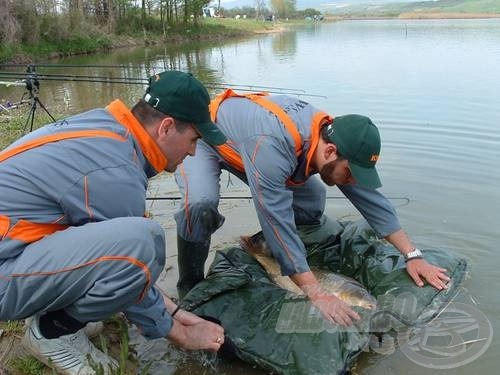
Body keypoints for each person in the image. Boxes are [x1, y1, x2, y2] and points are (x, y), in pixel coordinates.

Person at [0, 71, 227, 375]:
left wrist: (175, 311)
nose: (192, 151)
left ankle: (56, 313)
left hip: (13, 246)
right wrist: (182, 333)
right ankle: (53, 333)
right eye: (193, 139)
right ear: (167, 127)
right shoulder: (117, 167)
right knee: (144, 241)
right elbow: (131, 261)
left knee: (130, 241)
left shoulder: (107, 129)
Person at [174, 89, 451, 326]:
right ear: (330, 152)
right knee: (200, 204)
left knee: (312, 198)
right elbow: (275, 218)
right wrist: (316, 292)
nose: (353, 182)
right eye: (350, 173)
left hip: (257, 146)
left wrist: (413, 255)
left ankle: (265, 251)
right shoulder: (273, 145)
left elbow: (372, 201)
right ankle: (190, 289)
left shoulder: (338, 141)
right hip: (207, 140)